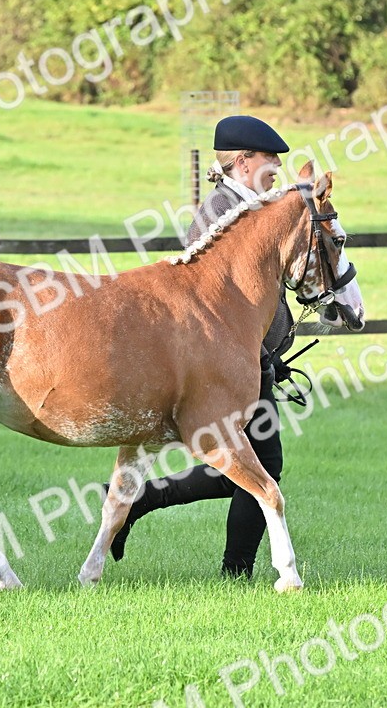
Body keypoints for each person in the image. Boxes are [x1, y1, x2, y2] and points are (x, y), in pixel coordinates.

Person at [110, 115, 298, 579]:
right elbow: (209, 305)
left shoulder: (255, 210)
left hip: (252, 364)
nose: (277, 167)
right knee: (262, 465)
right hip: (224, 369)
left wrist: (270, 354)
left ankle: (144, 500)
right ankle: (236, 572)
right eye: (270, 158)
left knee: (246, 466)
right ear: (244, 162)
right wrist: (254, 356)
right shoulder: (218, 213)